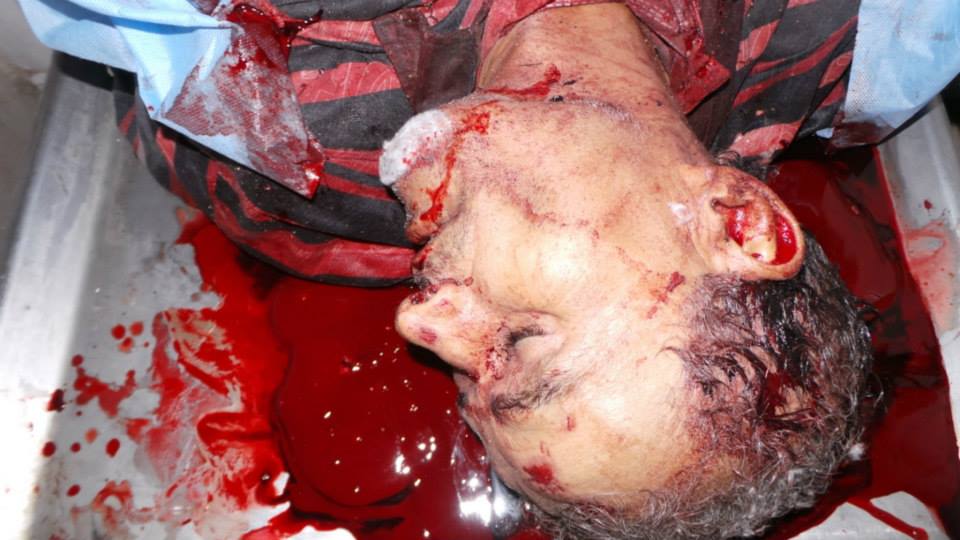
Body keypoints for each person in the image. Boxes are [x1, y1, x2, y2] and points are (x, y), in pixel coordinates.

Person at [15, 0, 959, 537]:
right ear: (741, 226)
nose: (419, 322)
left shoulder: (287, 155)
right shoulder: (872, 36)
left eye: (466, 377)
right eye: (521, 342)